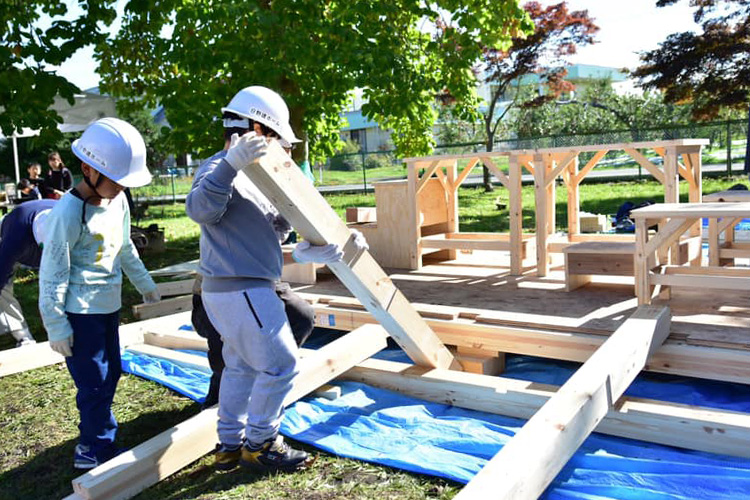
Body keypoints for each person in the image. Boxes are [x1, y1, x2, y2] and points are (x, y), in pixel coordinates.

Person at [186, 85, 366, 473]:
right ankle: (262, 443)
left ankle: (230, 445)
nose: (284, 151)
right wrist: (231, 164)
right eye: (278, 140)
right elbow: (199, 208)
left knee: (241, 367)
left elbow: (268, 231)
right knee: (282, 363)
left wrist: (313, 243)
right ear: (255, 128)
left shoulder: (251, 175)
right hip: (242, 290)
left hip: (240, 289)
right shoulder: (222, 167)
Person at [39, 117, 161, 469]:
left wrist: (144, 283)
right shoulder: (67, 213)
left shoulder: (117, 201)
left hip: (108, 309)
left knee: (112, 373)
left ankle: (100, 436)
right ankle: (93, 447)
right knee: (93, 383)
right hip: (80, 314)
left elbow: (125, 249)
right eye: (117, 181)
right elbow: (53, 272)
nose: (122, 188)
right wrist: (57, 325)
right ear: (88, 169)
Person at [0, 199, 56, 346]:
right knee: (3, 290)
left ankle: (62, 328)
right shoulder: (14, 241)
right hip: (9, 234)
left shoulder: (73, 216)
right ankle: (23, 336)